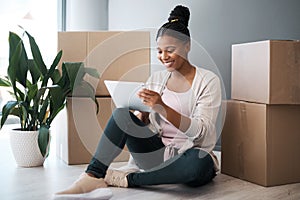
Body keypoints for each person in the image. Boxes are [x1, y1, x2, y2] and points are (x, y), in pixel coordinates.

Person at [56, 5, 221, 195]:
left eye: (170, 50)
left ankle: (125, 179)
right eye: (159, 51)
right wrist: (141, 117)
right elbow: (148, 123)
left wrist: (162, 107)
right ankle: (92, 176)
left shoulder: (208, 81)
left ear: (187, 46)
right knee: (121, 115)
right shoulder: (156, 80)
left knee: (198, 165)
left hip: (191, 156)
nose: (163, 57)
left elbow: (202, 132)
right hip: (157, 155)